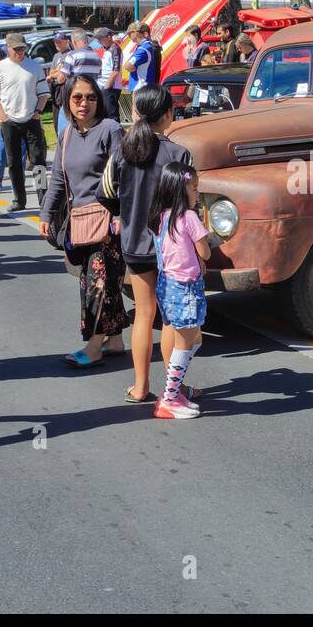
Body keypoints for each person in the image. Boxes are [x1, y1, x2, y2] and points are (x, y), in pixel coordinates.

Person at [97, 85, 190, 404]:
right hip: (172, 247)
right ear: (167, 114)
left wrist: (124, 215)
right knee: (168, 318)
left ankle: (140, 387)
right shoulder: (179, 154)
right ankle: (172, 389)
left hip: (134, 243)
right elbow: (188, 204)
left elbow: (105, 193)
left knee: (144, 314)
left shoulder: (122, 149)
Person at [39, 75, 128, 368]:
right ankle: (114, 340)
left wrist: (118, 216)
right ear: (67, 101)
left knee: (97, 283)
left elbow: (124, 178)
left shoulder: (110, 129)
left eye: (91, 97)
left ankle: (93, 346)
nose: (84, 103)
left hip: (107, 223)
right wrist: (46, 214)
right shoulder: (66, 136)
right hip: (79, 222)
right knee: (97, 282)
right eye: (77, 97)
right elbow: (57, 182)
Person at [149, 160, 210, 420]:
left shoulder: (160, 217)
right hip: (185, 288)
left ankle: (174, 392)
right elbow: (204, 250)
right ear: (180, 191)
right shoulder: (189, 217)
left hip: (167, 285)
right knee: (186, 343)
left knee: (193, 337)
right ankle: (170, 399)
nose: (197, 193)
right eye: (194, 189)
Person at [0, 33, 48, 212]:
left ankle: (43, 198)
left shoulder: (34, 66)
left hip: (31, 119)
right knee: (13, 162)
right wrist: (3, 117)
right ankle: (19, 199)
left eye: (23, 49)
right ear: (8, 48)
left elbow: (43, 93)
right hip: (9, 121)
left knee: (39, 161)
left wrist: (37, 112)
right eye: (17, 49)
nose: (20, 53)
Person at [123, 21, 159, 98]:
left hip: (141, 88)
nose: (129, 35)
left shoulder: (144, 48)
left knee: (137, 110)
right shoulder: (144, 46)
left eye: (131, 32)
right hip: (142, 88)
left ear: (142, 33)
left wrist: (133, 69)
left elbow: (128, 66)